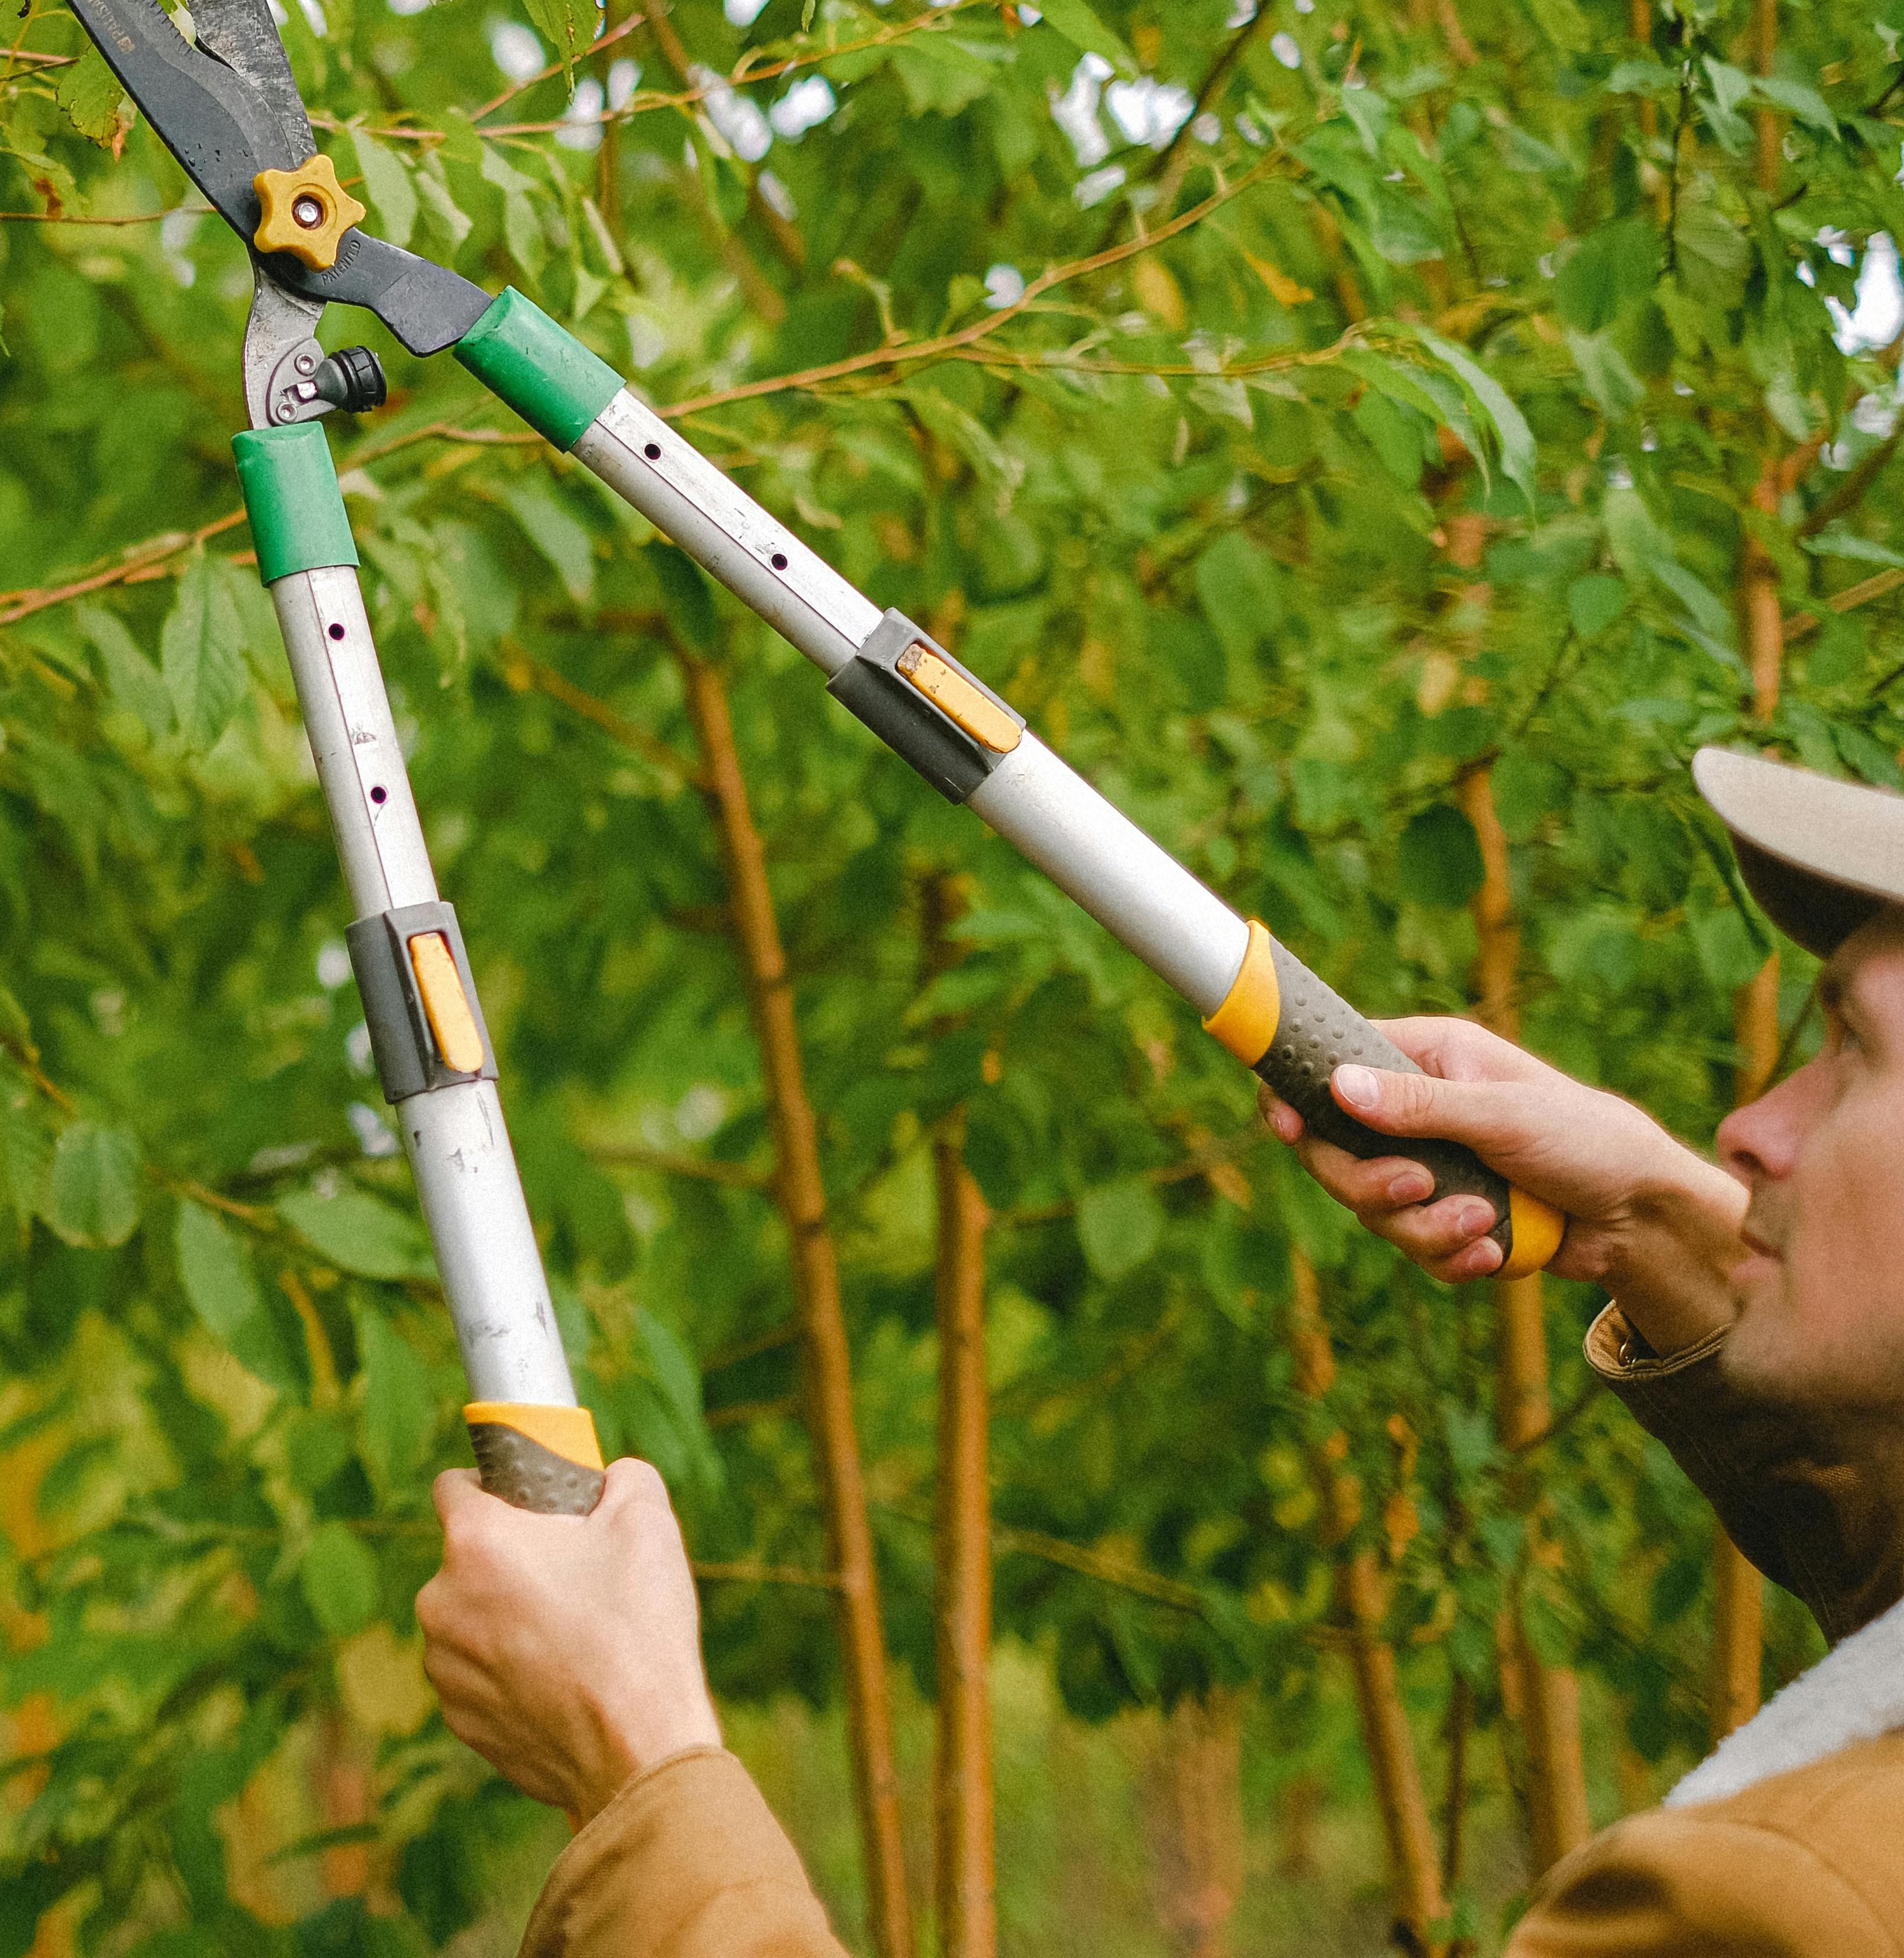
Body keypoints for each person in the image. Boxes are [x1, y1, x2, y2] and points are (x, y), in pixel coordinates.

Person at [415, 748, 1904, 1953]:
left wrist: (642, 1774)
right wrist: (1661, 1221)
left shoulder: (1780, 1909)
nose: (1749, 1128)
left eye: (1853, 1054)